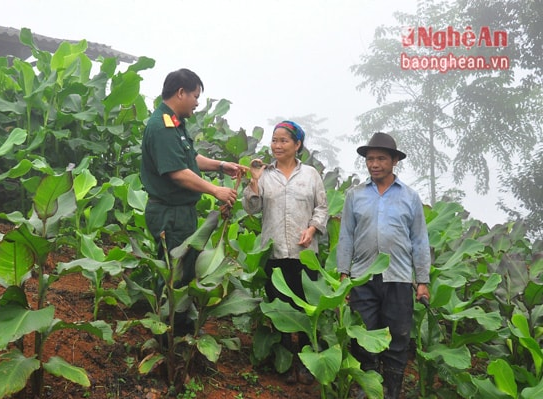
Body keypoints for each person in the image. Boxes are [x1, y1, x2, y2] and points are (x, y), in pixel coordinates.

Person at [140, 68, 244, 335]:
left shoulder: (174, 123)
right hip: (169, 213)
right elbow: (176, 172)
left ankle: (180, 330)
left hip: (179, 212)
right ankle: (171, 336)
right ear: (181, 93)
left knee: (185, 272)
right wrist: (215, 191)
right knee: (176, 275)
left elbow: (189, 159)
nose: (197, 102)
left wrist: (221, 166)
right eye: (195, 96)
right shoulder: (162, 126)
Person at [336, 132, 431, 399]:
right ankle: (367, 389)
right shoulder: (354, 196)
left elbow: (420, 240)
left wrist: (422, 281)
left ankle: (391, 392)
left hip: (398, 278)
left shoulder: (410, 197)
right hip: (363, 277)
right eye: (370, 159)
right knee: (363, 336)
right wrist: (344, 276)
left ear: (394, 162)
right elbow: (346, 237)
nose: (374, 164)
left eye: (380, 159)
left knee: (398, 339)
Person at [243, 120, 328, 385]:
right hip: (275, 254)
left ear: (297, 144)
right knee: (280, 311)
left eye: (283, 141)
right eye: (274, 140)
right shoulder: (265, 175)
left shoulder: (311, 175)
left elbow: (322, 208)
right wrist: (254, 182)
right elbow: (251, 208)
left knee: (305, 311)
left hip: (304, 255)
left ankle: (304, 365)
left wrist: (313, 228)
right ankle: (284, 364)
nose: (277, 145)